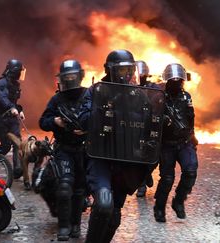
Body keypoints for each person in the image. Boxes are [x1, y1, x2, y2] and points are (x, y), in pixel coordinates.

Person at [79, 50, 155, 243]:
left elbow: (149, 127)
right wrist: (105, 107)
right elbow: (83, 120)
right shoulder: (96, 91)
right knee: (104, 203)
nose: (127, 75)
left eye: (129, 70)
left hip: (126, 160)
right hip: (101, 157)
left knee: (113, 216)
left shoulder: (139, 96)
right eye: (122, 71)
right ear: (109, 70)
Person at [39, 60, 87, 241]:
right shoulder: (57, 99)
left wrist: (87, 129)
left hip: (83, 149)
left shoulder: (88, 95)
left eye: (73, 76)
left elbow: (99, 118)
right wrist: (55, 122)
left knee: (80, 190)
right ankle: (64, 226)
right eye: (67, 77)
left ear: (80, 76)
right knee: (64, 187)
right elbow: (42, 122)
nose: (71, 80)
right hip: (64, 149)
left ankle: (76, 225)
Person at [153, 63, 198, 223]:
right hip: (167, 144)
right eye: (174, 81)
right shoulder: (159, 97)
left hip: (184, 142)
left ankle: (178, 201)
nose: (177, 83)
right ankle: (159, 208)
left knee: (191, 171)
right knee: (167, 178)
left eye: (180, 81)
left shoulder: (186, 97)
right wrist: (161, 120)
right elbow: (149, 119)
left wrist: (193, 137)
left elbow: (191, 118)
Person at [0, 59, 26, 179]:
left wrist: (19, 109)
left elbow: (13, 101)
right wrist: (11, 107)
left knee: (18, 143)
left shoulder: (14, 84)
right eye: (20, 71)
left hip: (12, 118)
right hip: (1, 119)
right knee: (5, 146)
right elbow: (3, 98)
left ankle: (17, 169)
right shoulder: (2, 83)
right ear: (15, 72)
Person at [135, 60, 157, 197]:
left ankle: (147, 173)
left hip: (150, 125)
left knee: (154, 155)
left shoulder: (153, 87)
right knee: (137, 156)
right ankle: (141, 184)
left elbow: (159, 100)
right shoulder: (129, 87)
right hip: (135, 125)